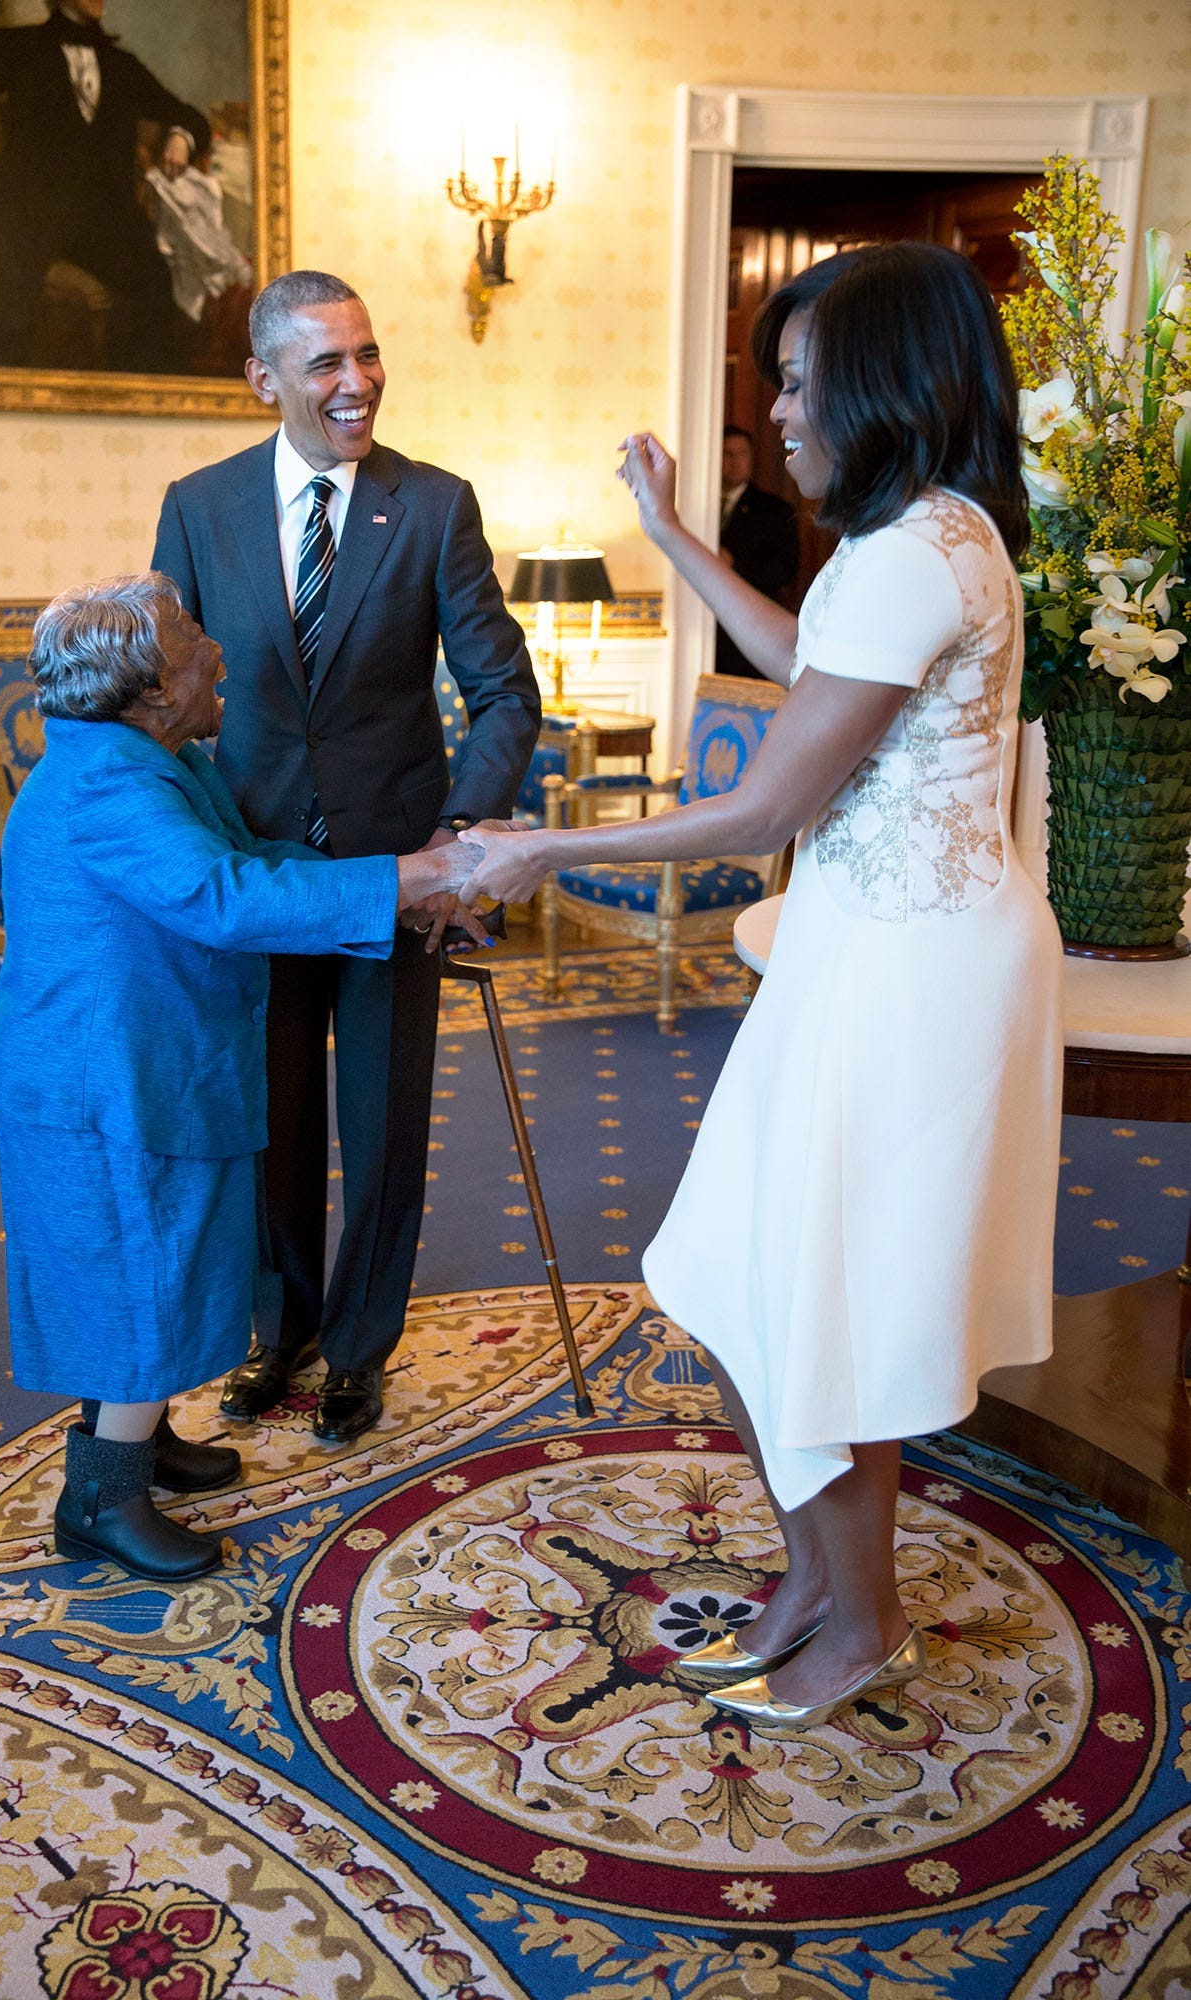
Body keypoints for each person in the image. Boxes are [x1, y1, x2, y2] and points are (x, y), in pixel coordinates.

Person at [459, 243, 1063, 1732]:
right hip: (862, 952)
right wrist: (667, 532)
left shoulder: (928, 546)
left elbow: (757, 807)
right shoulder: (910, 539)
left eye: (797, 381)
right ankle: (816, 1576)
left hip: (910, 974)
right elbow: (805, 662)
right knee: (739, 1278)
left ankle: (860, 1625)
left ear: (880, 380)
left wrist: (537, 845)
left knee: (824, 1305)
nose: (779, 413)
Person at [0, 573, 478, 1583]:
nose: (217, 652)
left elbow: (253, 854)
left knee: (151, 1264)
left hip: (145, 1063)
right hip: (101, 1084)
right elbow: (224, 894)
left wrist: (401, 892)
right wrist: (423, 876)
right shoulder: (113, 785)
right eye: (194, 639)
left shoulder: (148, 757)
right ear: (154, 690)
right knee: (134, 1274)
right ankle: (102, 1501)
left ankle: (137, 1436)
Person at [151, 269, 540, 1443]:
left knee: (380, 1128)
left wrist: (456, 836)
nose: (356, 382)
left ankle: (361, 1347)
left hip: (393, 881)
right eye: (326, 362)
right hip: (256, 878)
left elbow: (504, 692)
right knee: (266, 1120)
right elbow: (168, 695)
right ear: (264, 377)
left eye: (367, 355)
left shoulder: (433, 504)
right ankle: (283, 1333)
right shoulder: (199, 505)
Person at [0, 0, 208, 371]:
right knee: (15, 285)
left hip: (99, 218)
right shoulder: (18, 47)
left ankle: (130, 395)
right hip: (27, 207)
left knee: (152, 280)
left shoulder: (121, 65)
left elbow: (184, 113)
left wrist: (180, 136)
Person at [715, 426, 799, 678]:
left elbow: (786, 569)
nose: (735, 462)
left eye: (741, 454)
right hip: (708, 629)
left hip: (752, 626)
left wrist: (734, 565)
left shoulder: (774, 510)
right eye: (727, 454)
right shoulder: (699, 503)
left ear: (751, 458)